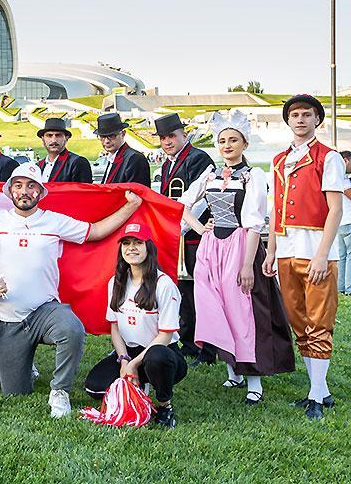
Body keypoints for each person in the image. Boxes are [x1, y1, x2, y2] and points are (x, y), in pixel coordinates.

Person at [0, 163, 142, 417]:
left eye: (31, 186)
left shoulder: (53, 220)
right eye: (18, 185)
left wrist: (132, 206)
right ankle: (25, 365)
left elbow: (95, 231)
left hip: (45, 310)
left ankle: (60, 391)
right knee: (15, 392)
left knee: (72, 329)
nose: (24, 191)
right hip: (7, 317)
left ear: (40, 192)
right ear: (10, 191)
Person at [180, 111, 294, 405]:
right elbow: (183, 204)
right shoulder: (210, 175)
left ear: (245, 144)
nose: (227, 145)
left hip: (240, 247)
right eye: (222, 141)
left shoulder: (253, 176)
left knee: (243, 313)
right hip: (211, 249)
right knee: (214, 309)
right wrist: (199, 228)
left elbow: (254, 223)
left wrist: (247, 265)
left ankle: (253, 380)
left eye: (233, 140)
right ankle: (233, 371)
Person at [263, 94, 344, 420]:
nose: (300, 119)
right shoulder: (279, 160)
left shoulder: (329, 157)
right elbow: (274, 208)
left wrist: (322, 255)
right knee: (300, 323)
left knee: (319, 322)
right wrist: (270, 251)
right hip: (286, 250)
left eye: (306, 114)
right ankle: (320, 391)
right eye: (294, 114)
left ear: (316, 120)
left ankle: (316, 395)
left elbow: (336, 209)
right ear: (288, 120)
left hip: (315, 251)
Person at [84, 222, 187, 428]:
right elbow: (115, 327)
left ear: (149, 248)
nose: (131, 248)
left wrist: (133, 365)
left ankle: (164, 405)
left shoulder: (164, 284)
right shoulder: (116, 282)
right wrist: (124, 360)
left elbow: (165, 335)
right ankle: (140, 386)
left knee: (156, 357)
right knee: (94, 387)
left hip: (162, 353)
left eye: (138, 243)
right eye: (126, 243)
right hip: (129, 352)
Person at [154, 112, 216, 365]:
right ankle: (189, 343)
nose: (167, 141)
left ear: (185, 135)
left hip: (193, 235)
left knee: (200, 294)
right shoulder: (167, 164)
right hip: (176, 233)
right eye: (162, 138)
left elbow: (201, 199)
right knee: (183, 294)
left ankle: (208, 349)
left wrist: (178, 226)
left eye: (171, 136)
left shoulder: (198, 158)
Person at [95, 113, 151, 186]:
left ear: (123, 134)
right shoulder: (113, 158)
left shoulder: (135, 158)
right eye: (102, 137)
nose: (106, 141)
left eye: (111, 136)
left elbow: (136, 190)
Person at [36, 117, 92, 183]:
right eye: (49, 135)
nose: (54, 140)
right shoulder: (38, 166)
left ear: (66, 138)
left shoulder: (78, 163)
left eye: (58, 135)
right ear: (43, 139)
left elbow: (84, 189)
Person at [336, 150, 351, 295]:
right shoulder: (344, 180)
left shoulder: (334, 177)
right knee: (349, 255)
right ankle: (348, 288)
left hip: (339, 222)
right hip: (348, 221)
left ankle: (340, 287)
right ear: (346, 160)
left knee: (342, 256)